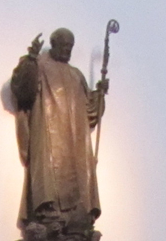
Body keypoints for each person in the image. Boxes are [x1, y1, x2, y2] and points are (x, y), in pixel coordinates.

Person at [8, 27, 105, 226]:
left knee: (79, 173)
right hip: (48, 131)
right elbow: (23, 90)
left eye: (71, 46)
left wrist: (99, 95)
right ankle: (48, 210)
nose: (67, 50)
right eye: (64, 45)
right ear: (54, 44)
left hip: (75, 139)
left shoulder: (76, 75)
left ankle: (79, 213)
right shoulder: (40, 67)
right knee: (47, 173)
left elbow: (90, 113)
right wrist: (30, 58)